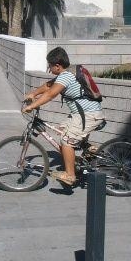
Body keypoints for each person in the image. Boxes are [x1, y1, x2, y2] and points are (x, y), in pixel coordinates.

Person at [22, 46, 104, 187]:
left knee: (66, 140)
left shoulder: (66, 77)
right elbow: (48, 86)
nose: (49, 69)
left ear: (58, 66)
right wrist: (33, 94)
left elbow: (50, 94)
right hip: (81, 114)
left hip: (89, 115)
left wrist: (32, 106)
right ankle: (90, 151)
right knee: (62, 129)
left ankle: (70, 176)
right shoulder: (66, 73)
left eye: (50, 66)